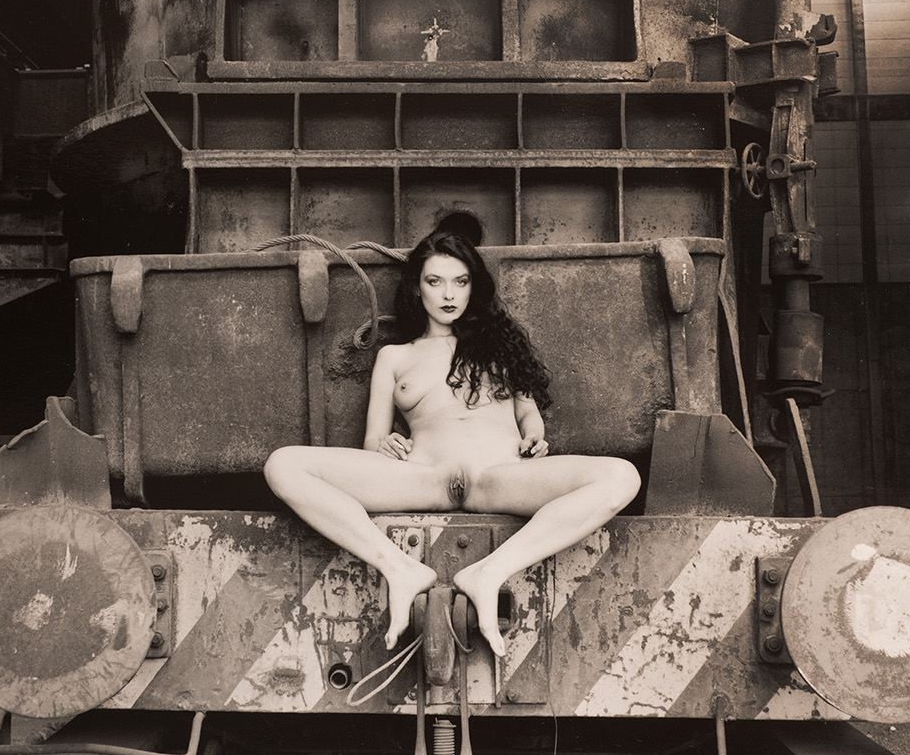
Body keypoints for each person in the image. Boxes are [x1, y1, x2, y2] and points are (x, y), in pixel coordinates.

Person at [264, 215, 641, 656]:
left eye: (460, 282)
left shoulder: (501, 346)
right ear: (416, 288)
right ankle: (400, 568)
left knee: (622, 477)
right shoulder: (394, 357)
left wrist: (534, 438)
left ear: (472, 287)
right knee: (283, 465)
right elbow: (372, 442)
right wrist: (385, 444)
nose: (448, 295)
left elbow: (528, 414)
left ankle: (489, 572)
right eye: (435, 281)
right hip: (424, 477)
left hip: (498, 477)